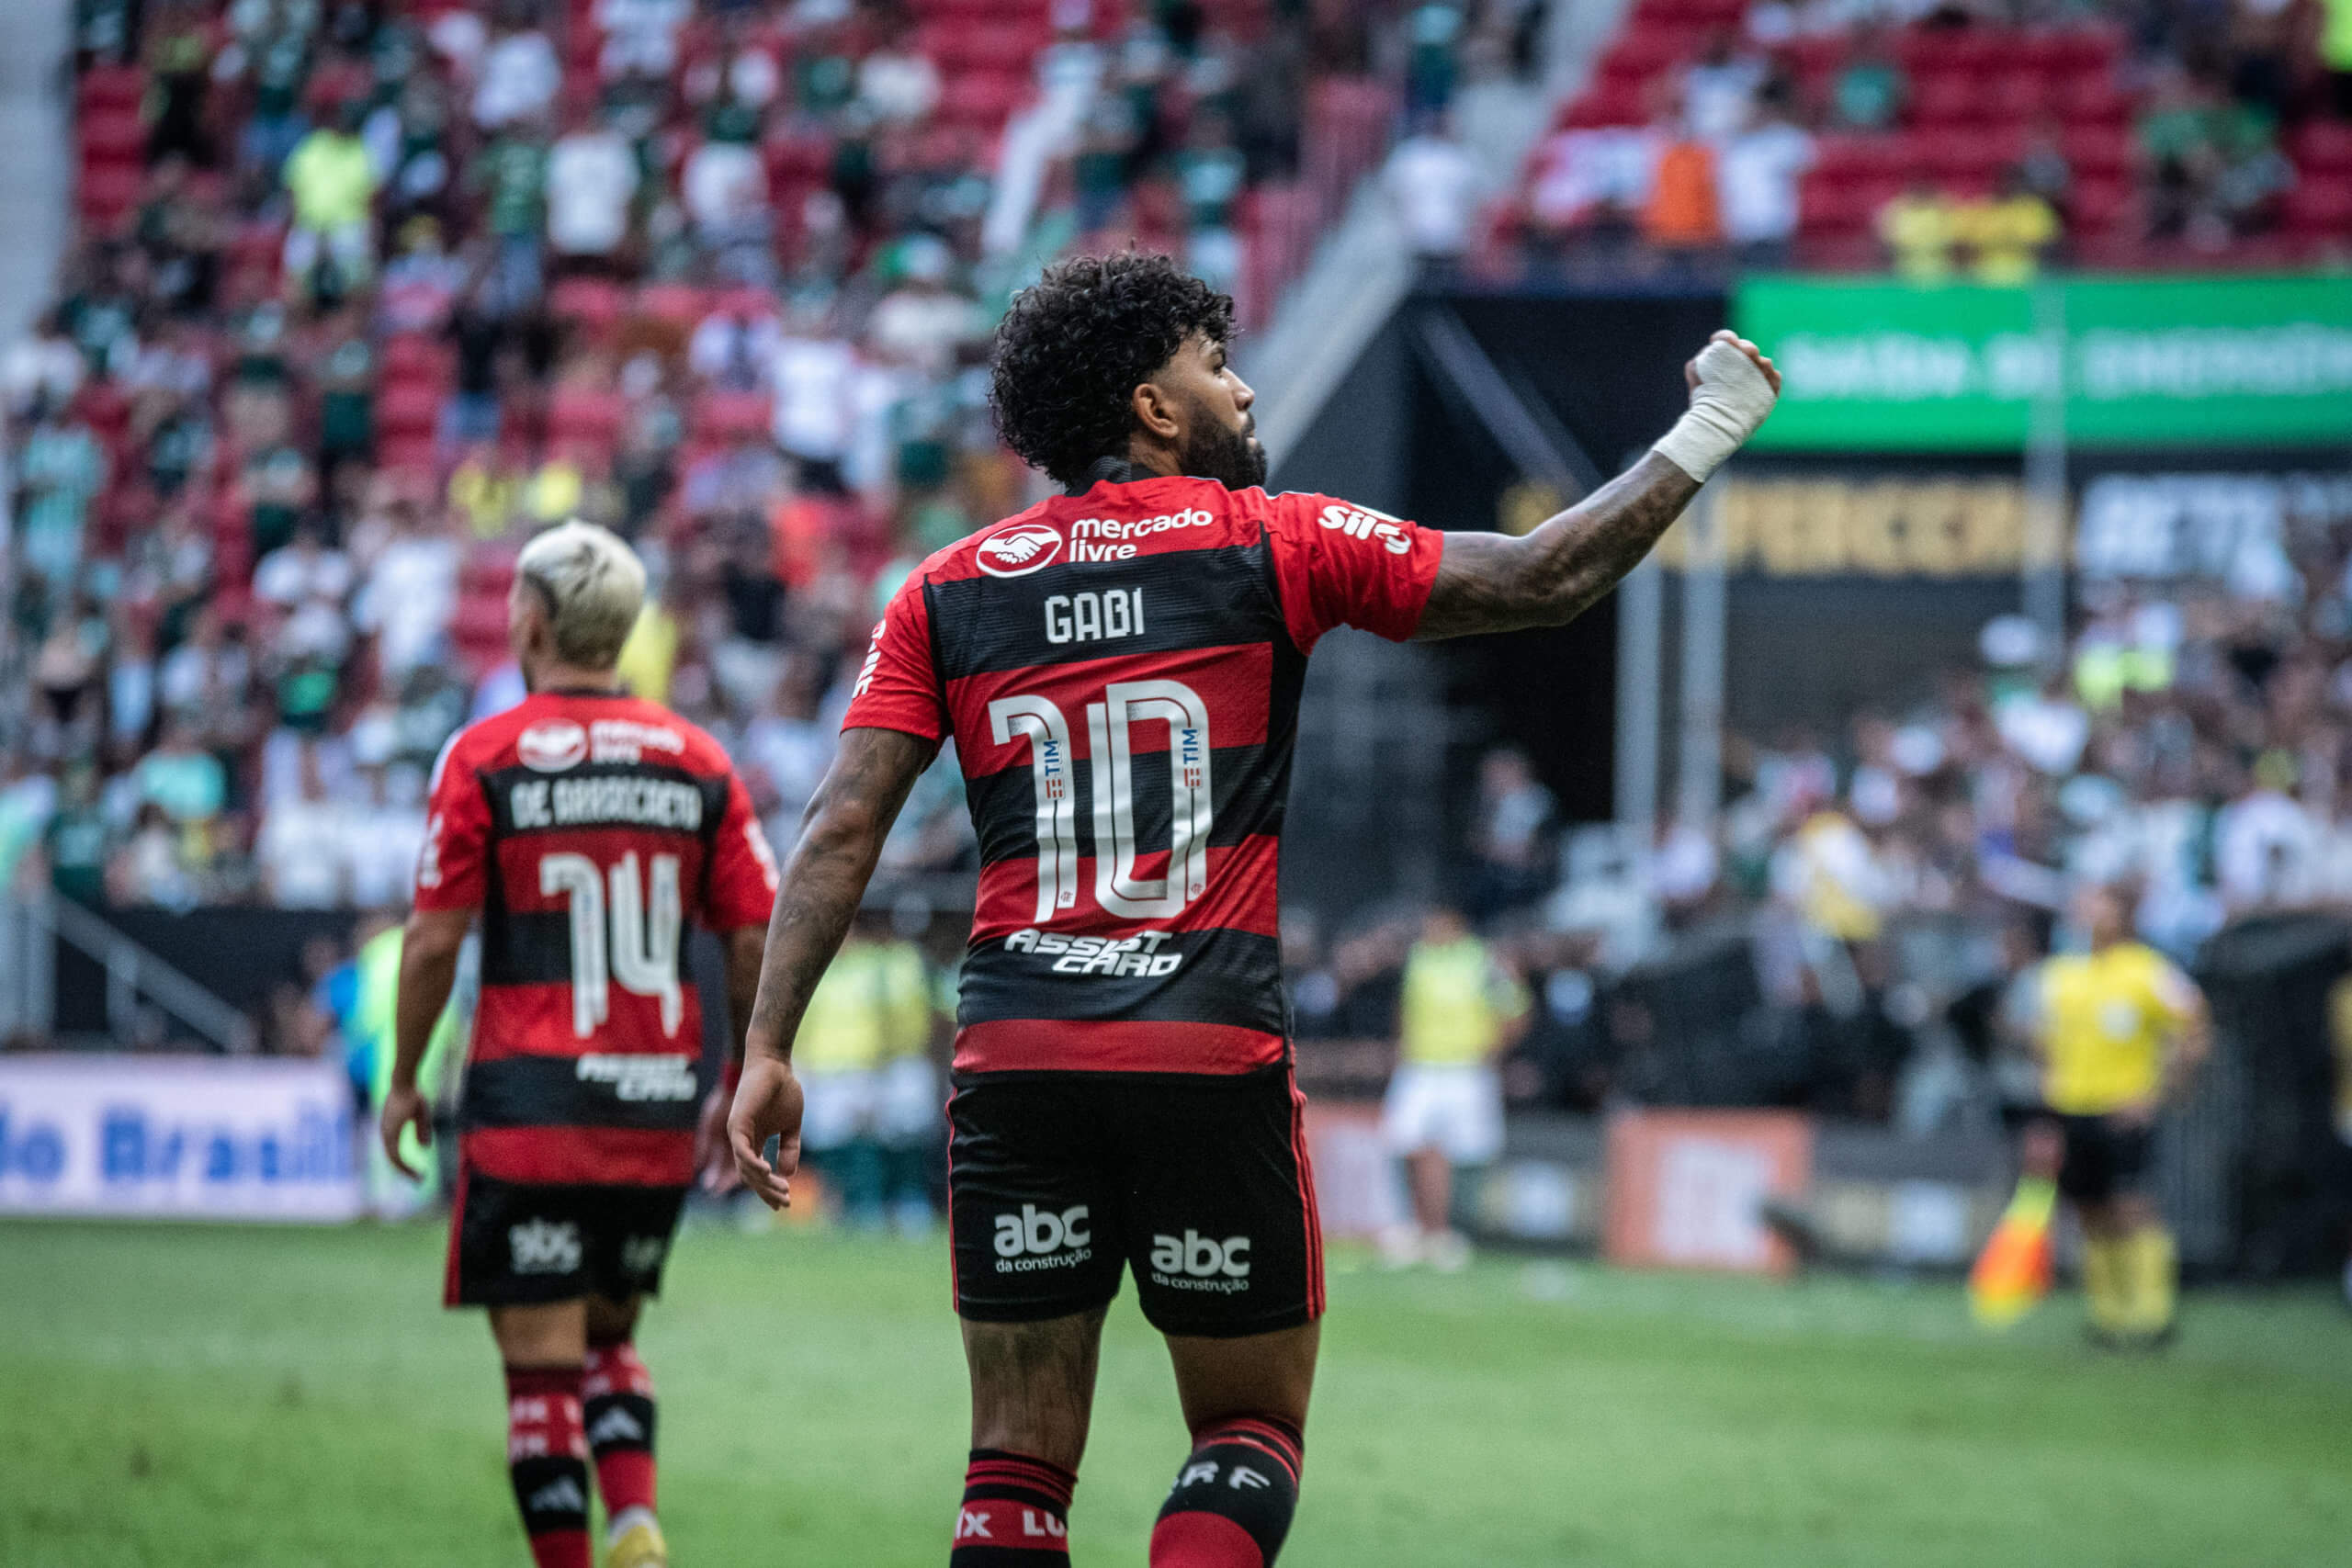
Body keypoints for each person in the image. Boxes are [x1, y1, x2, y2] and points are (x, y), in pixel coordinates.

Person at [724, 250, 1778, 1568]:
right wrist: (1707, 427)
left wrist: (767, 1047)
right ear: (1155, 410)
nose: (1241, 383)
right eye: (1212, 363)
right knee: (1244, 1432)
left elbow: (839, 825)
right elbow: (1540, 578)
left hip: (1018, 1059)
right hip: (1202, 1050)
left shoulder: (943, 589)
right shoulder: (1272, 541)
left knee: (1014, 1462)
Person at [381, 520, 779, 1568]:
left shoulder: (486, 757)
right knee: (611, 1335)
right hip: (651, 1103)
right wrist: (739, 1074)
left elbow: (431, 943)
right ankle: (636, 1521)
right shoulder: (698, 759)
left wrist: (402, 1080)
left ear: (530, 620)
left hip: (530, 1107)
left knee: (540, 1370)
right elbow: (753, 933)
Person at [2015, 884, 2211, 1348]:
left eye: (2097, 903)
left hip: (2122, 1111)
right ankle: (2108, 1315)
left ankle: (2151, 1315)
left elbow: (2196, 1025)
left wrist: (2161, 1091)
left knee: (2132, 1207)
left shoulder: (2147, 970)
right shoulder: (2063, 975)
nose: (2086, 912)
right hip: (2070, 1109)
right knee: (2089, 1210)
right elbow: (2044, 1045)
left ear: (2122, 914)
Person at [1378, 906, 1530, 1270]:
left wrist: (1493, 1050)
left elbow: (1515, 1009)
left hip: (1466, 1068)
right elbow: (1404, 1006)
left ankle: (1448, 1232)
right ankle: (1418, 1227)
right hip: (1421, 1065)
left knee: (1463, 1152)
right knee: (1404, 1140)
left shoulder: (1483, 961)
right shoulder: (1418, 957)